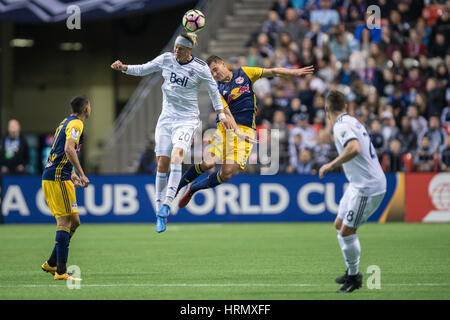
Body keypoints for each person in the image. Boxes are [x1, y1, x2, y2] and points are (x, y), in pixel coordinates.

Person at [111, 33, 234, 233]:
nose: (176, 50)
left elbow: (213, 91)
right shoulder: (166, 59)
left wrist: (221, 114)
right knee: (162, 163)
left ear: (189, 50)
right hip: (166, 119)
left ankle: (167, 204)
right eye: (175, 47)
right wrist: (124, 68)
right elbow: (144, 69)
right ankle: (159, 210)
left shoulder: (200, 68)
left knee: (177, 156)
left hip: (186, 120)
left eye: (180, 48)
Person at [176, 55, 313, 208]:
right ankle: (175, 188)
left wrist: (294, 73)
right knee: (209, 163)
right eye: (212, 73)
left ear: (223, 64)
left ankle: (194, 188)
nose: (215, 75)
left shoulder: (245, 73)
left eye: (215, 70)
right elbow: (227, 114)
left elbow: (273, 71)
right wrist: (238, 133)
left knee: (227, 173)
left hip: (247, 130)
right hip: (226, 130)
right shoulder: (216, 89)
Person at [319, 91, 386, 293]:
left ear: (326, 109)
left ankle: (355, 277)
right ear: (346, 106)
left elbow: (354, 148)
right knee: (339, 224)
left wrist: (331, 164)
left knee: (347, 230)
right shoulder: (351, 121)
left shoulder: (341, 126)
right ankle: (351, 271)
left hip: (368, 187)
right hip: (357, 184)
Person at [41, 95, 91, 281]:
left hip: (61, 175)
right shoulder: (77, 124)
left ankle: (52, 263)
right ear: (86, 109)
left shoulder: (65, 122)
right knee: (64, 222)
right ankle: (61, 271)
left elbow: (59, 151)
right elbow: (69, 149)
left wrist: (72, 174)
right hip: (57, 178)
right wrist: (82, 173)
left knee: (75, 221)